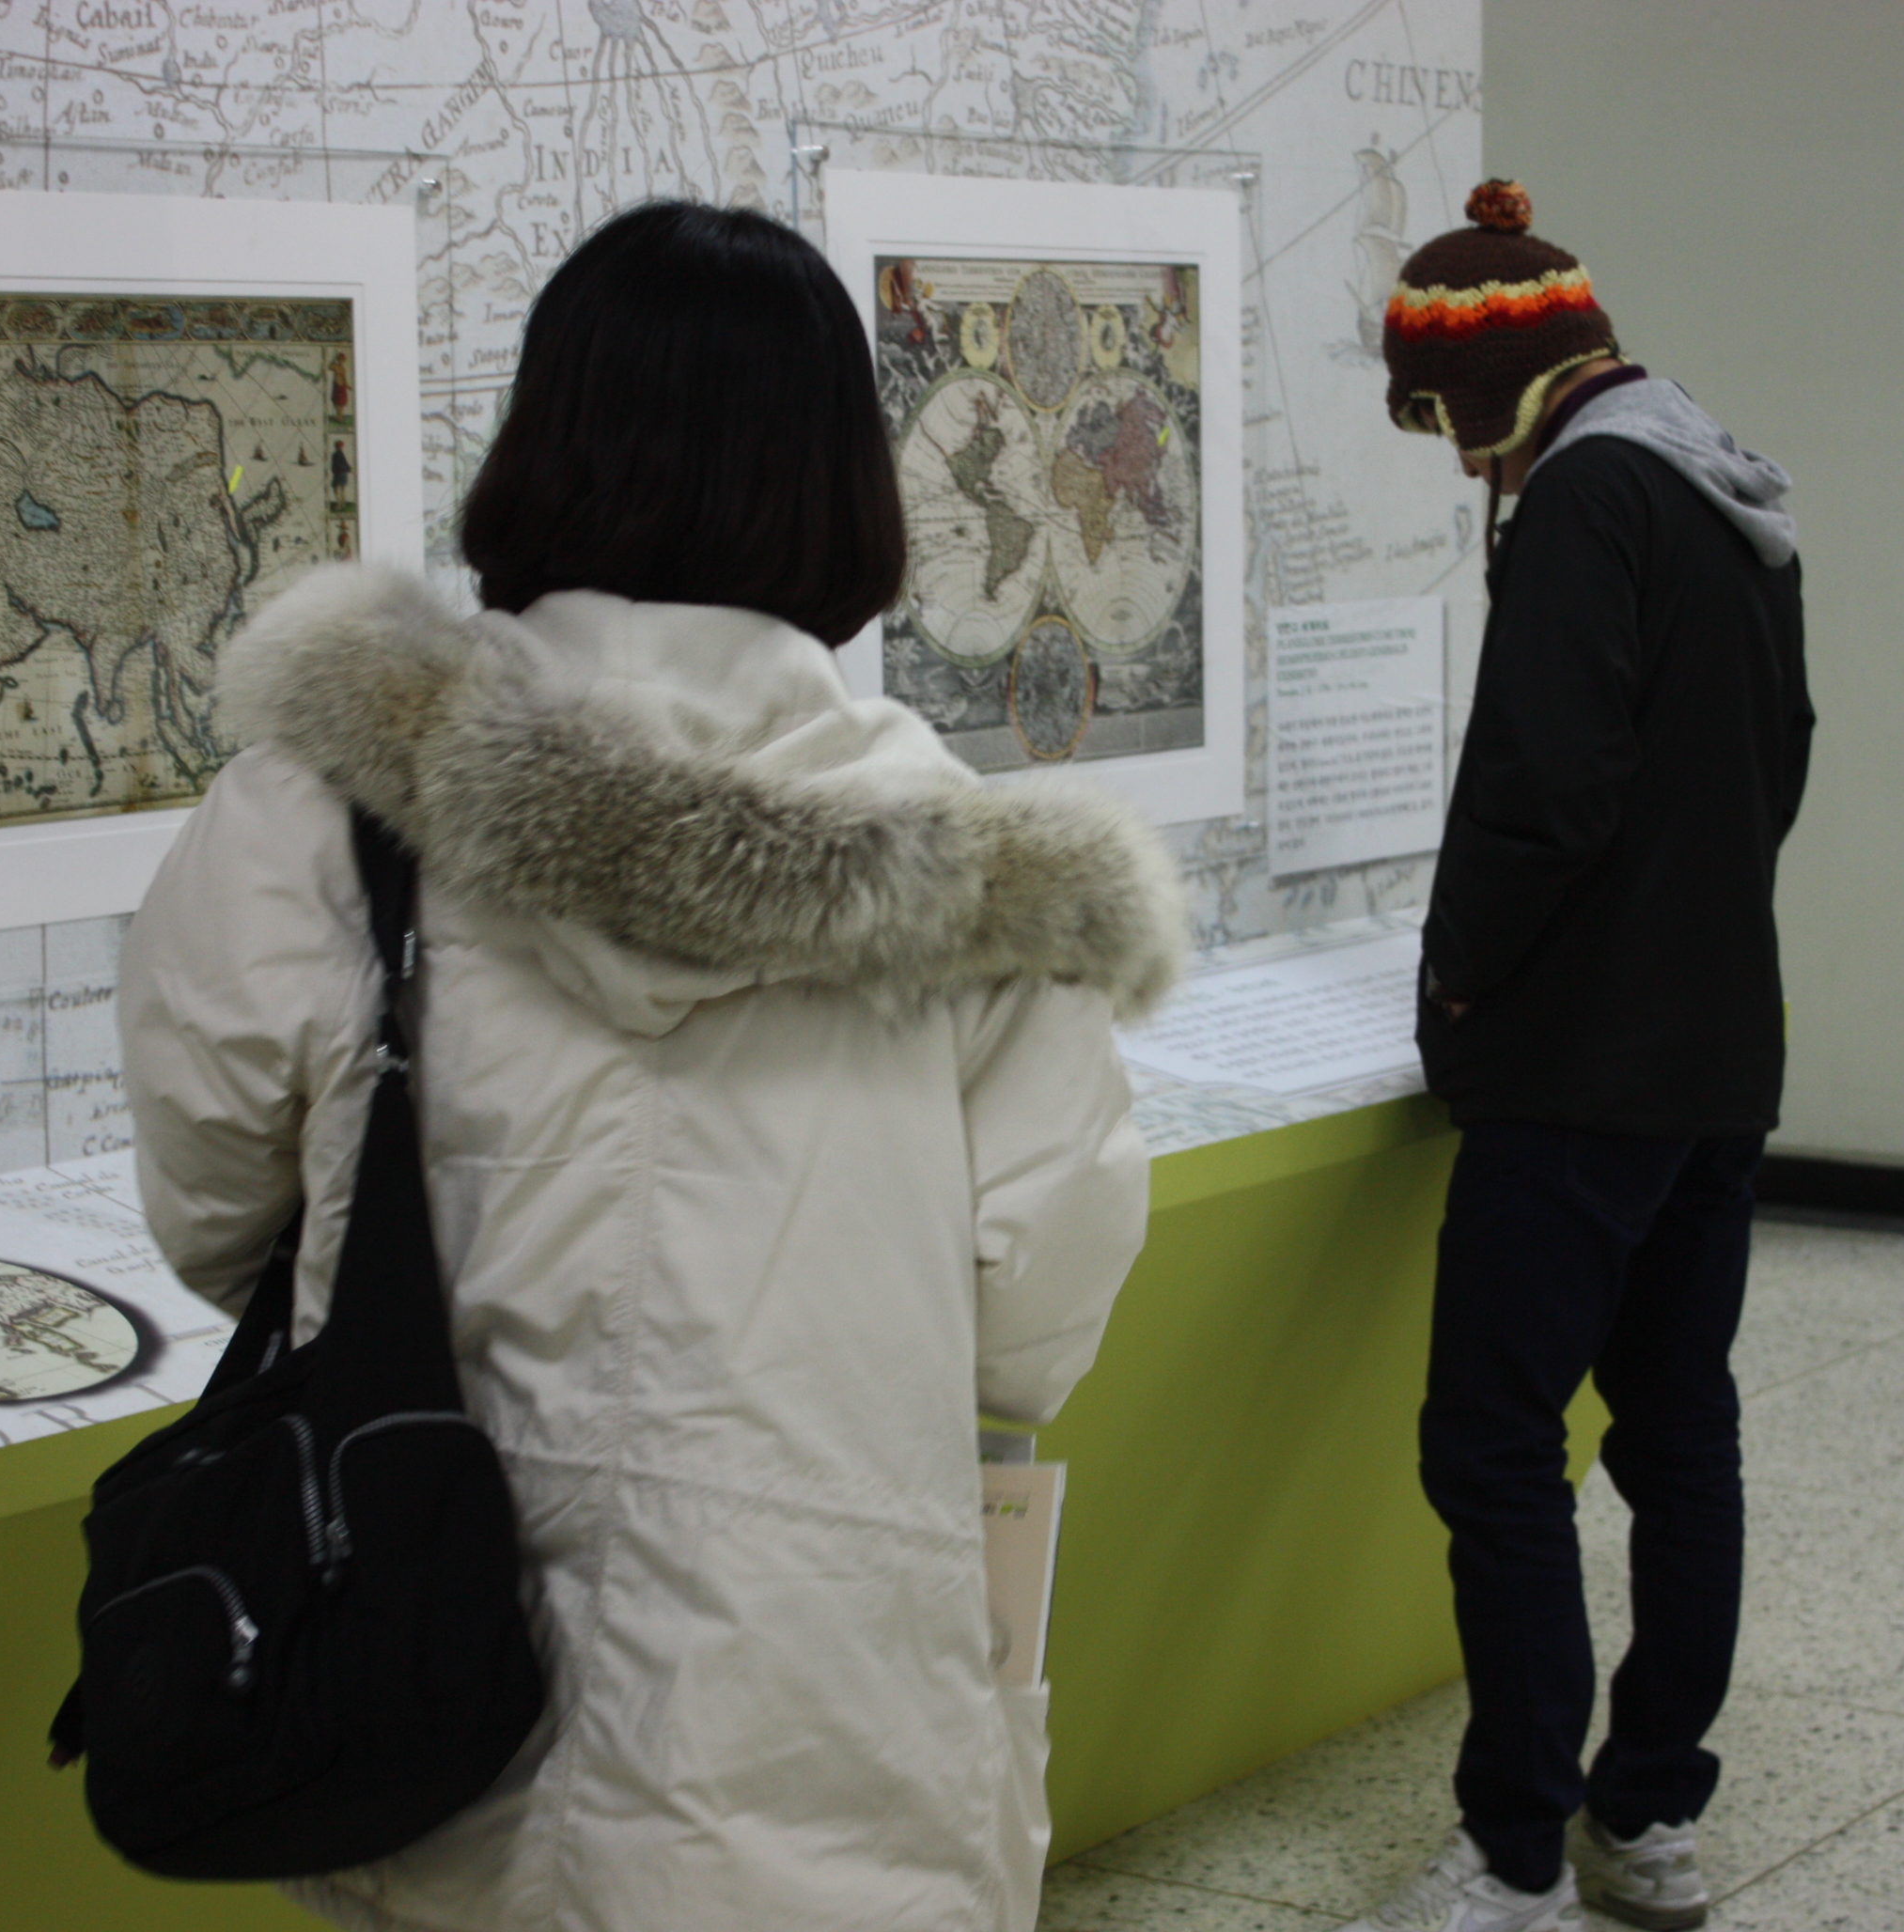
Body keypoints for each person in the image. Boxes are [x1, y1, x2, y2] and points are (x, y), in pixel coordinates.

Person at [117, 201, 1187, 1932]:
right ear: (849, 485)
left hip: (424, 1690)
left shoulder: (317, 813)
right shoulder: (979, 876)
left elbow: (216, 1204)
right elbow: (1034, 1319)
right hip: (828, 1716)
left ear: (541, 440)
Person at [1341, 182, 1813, 1932]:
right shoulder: (1721, 485)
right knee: (1681, 1433)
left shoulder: (1585, 498)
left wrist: (1462, 977)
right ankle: (1649, 1812)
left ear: (1496, 385)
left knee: (1493, 1445)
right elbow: (1783, 757)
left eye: (1450, 422)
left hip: (1576, 1076)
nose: (1464, 463)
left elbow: (1543, 787)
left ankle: (1518, 1849)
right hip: (1720, 1051)